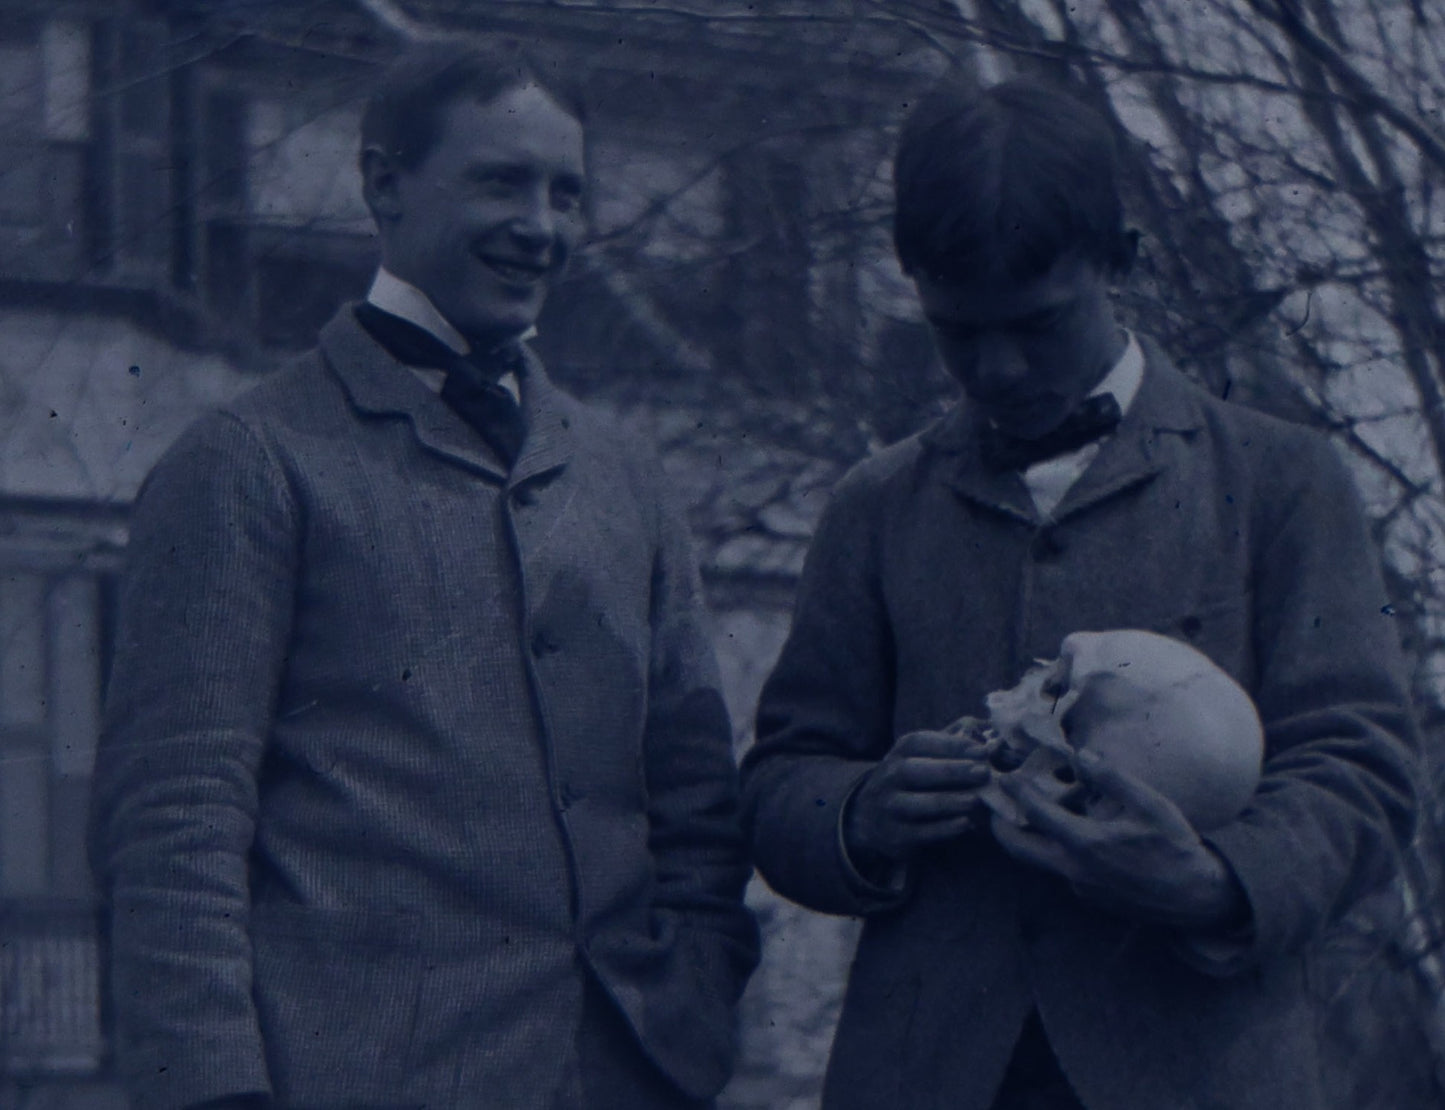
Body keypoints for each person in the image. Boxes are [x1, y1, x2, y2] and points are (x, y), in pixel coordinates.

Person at [89, 40, 757, 1110]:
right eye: (499, 181)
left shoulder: (624, 475)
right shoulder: (248, 460)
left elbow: (692, 793)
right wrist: (210, 1092)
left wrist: (692, 1013)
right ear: (383, 183)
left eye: (566, 193)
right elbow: (176, 818)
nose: (539, 227)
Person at [740, 75, 1418, 1110]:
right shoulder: (874, 507)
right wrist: (862, 809)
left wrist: (1213, 881)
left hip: (1198, 1070)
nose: (997, 368)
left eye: (1036, 323)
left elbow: (1361, 769)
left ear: (1122, 261)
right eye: (956, 332)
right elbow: (784, 777)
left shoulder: (1282, 482)